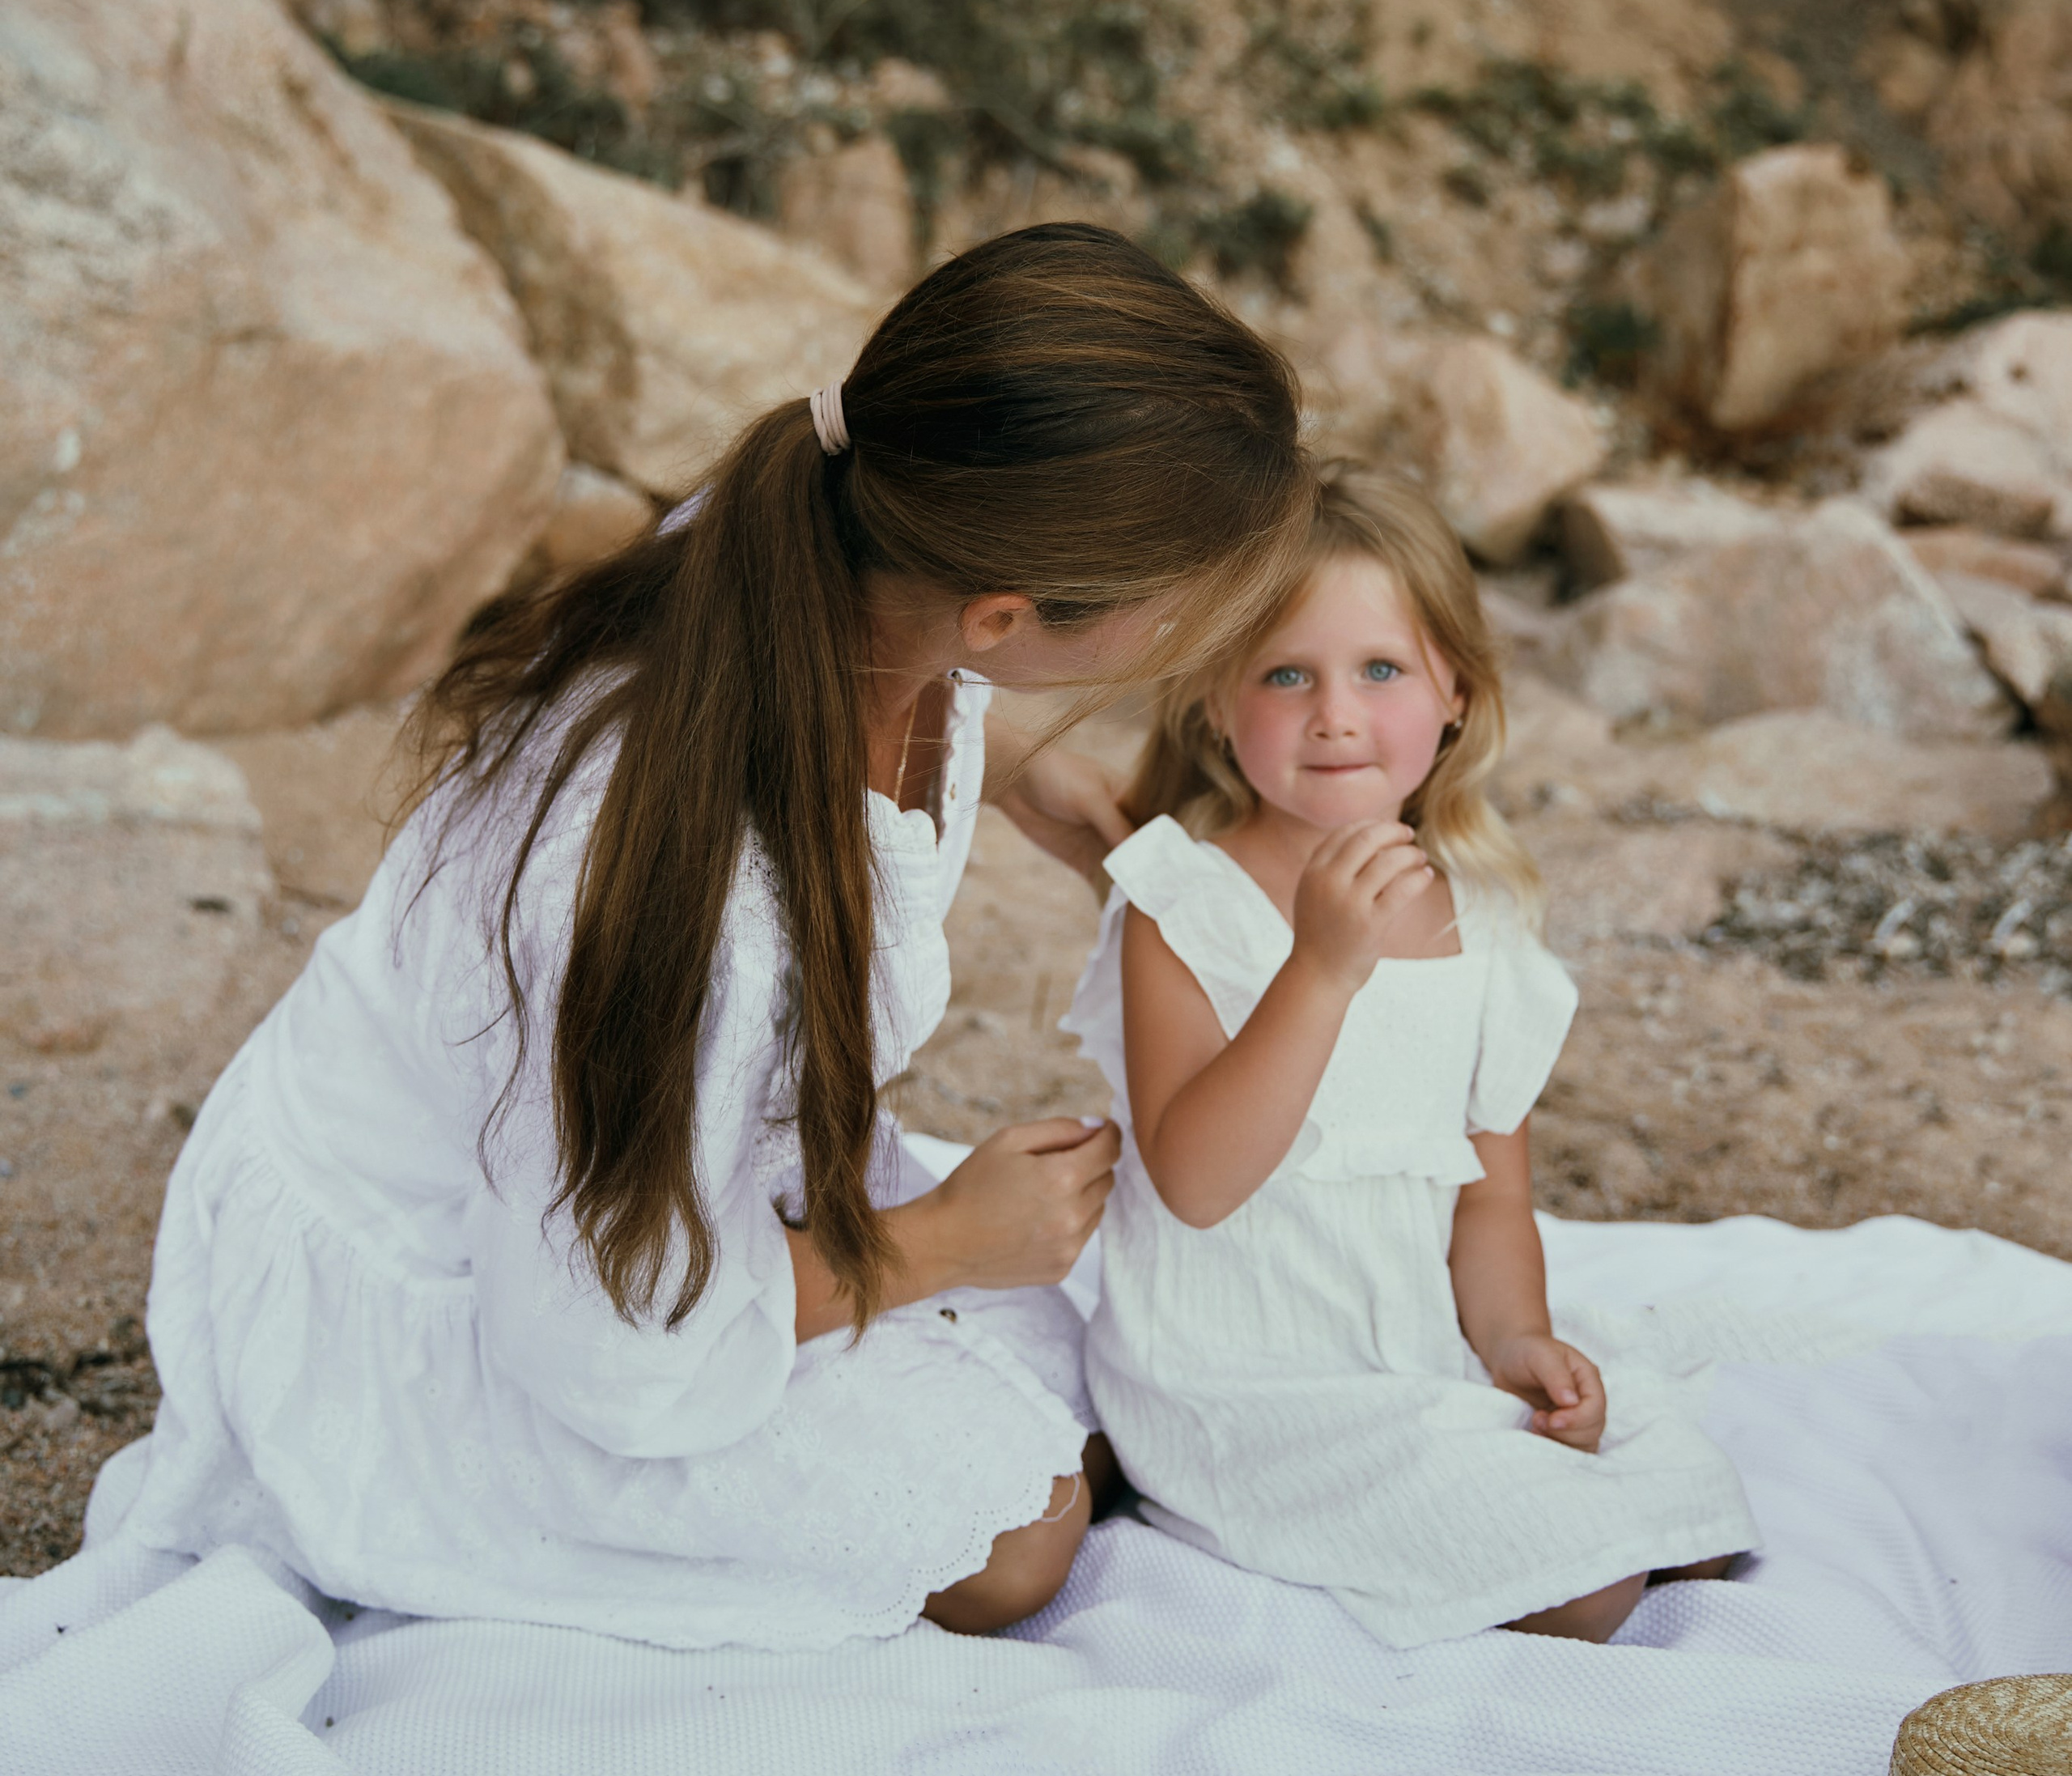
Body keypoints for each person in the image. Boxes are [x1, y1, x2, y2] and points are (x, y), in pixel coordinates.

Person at [113, 226, 1314, 1649]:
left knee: (1095, 1369)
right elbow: (606, 1345)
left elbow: (919, 677)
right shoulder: (698, 902)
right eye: (1168, 617)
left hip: (665, 1145)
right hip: (506, 1274)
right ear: (1002, 612)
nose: (1182, 639)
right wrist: (931, 1245)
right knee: (1021, 1538)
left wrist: (994, 762)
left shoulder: (829, 531)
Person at [1066, 462, 1756, 1646]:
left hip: (1419, 1349)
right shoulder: (1183, 902)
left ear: (1454, 695)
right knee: (1587, 1588)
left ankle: (1490, 1464)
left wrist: (1515, 1340)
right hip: (1244, 1373)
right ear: (1217, 707)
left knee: (1688, 1509)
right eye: (1286, 675)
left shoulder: (1483, 916)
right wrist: (1319, 972)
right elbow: (1194, 1179)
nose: (1334, 712)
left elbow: (1491, 1200)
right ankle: (1226, 1497)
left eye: (1379, 670)